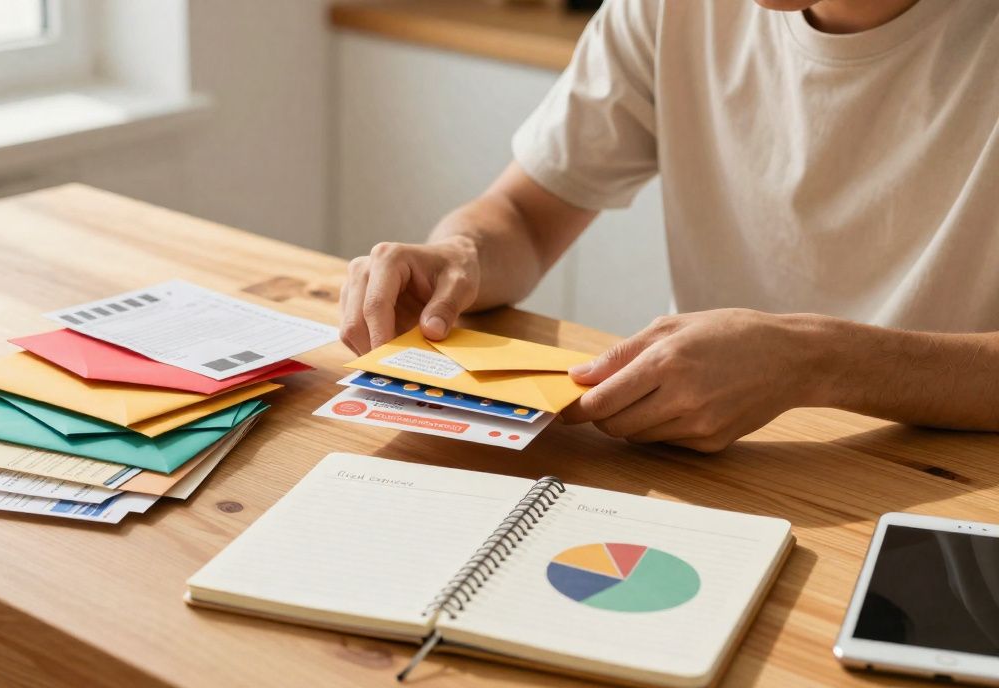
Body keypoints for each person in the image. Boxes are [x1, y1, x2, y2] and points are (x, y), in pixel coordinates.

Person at [339, 0, 999, 452]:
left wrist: (814, 361)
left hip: (949, 493)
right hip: (699, 465)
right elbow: (524, 216)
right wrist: (461, 254)